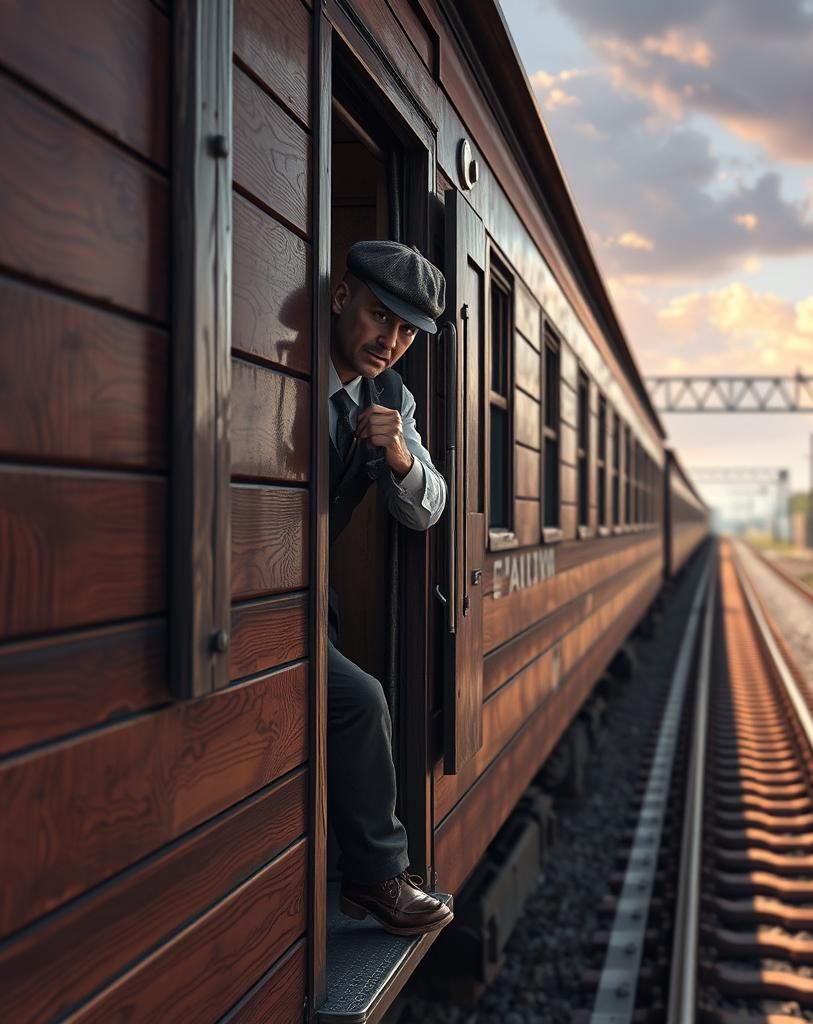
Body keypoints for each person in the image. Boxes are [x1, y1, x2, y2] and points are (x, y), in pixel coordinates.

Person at [327, 240, 452, 937]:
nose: (391, 341)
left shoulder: (390, 397)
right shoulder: (291, 364)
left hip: (315, 603)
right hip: (256, 589)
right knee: (361, 699)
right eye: (381, 317)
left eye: (405, 331)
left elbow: (430, 504)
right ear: (342, 298)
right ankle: (375, 879)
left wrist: (399, 453)